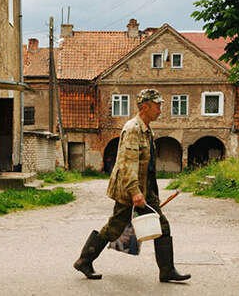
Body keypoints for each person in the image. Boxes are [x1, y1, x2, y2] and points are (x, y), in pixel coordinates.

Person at [73, 89, 190, 282]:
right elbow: (127, 163)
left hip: (145, 189)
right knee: (114, 228)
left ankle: (167, 270)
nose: (160, 109)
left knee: (160, 226)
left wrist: (148, 192)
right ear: (145, 106)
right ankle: (84, 260)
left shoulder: (146, 128)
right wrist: (135, 192)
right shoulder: (133, 128)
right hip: (130, 190)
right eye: (157, 105)